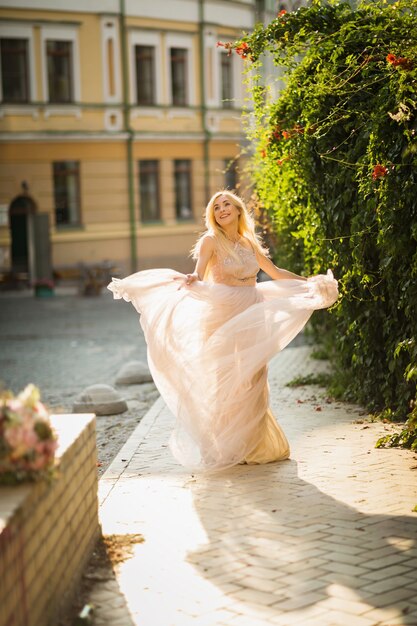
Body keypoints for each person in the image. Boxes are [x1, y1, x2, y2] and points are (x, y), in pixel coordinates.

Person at [108, 190, 338, 472]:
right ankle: (226, 446)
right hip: (222, 313)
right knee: (226, 378)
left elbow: (275, 272)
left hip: (252, 310)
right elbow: (199, 272)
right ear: (212, 216)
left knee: (254, 376)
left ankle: (255, 446)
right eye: (216, 207)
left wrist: (309, 283)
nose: (221, 209)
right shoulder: (210, 240)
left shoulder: (248, 242)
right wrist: (192, 278)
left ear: (239, 210)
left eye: (226, 204)